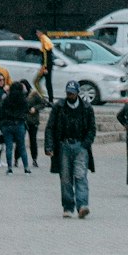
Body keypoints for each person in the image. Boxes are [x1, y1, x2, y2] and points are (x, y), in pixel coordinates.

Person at [45, 79, 96, 219]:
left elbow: (92, 128)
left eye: (73, 93)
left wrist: (86, 144)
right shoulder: (59, 107)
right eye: (68, 93)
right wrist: (49, 146)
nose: (70, 96)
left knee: (80, 176)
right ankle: (68, 207)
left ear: (77, 93)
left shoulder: (86, 108)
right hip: (64, 146)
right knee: (66, 178)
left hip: (81, 146)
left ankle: (82, 205)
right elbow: (50, 127)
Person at [0, 80, 32, 174]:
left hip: (7, 124)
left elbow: (1, 111)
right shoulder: (23, 100)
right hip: (19, 124)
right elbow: (27, 110)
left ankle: (9, 168)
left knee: (9, 147)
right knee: (22, 146)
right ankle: (26, 168)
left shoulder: (6, 99)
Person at [22, 78, 46, 167]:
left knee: (33, 140)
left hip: (33, 120)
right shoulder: (19, 94)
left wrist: (35, 108)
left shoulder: (34, 94)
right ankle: (16, 158)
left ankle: (34, 159)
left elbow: (43, 103)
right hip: (23, 120)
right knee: (20, 140)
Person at [35, 30, 55, 102]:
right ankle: (50, 99)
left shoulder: (44, 39)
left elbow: (45, 55)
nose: (37, 34)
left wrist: (45, 67)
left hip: (46, 66)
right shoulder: (46, 39)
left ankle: (43, 98)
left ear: (41, 32)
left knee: (36, 81)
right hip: (48, 65)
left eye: (37, 33)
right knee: (48, 82)